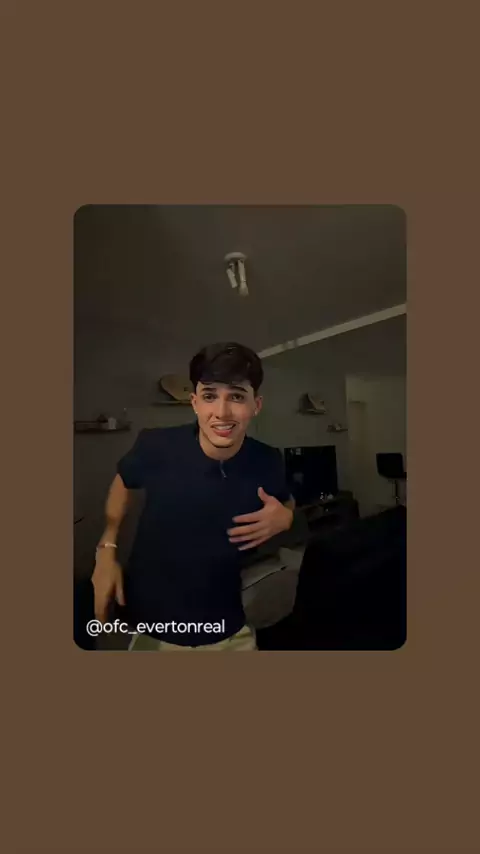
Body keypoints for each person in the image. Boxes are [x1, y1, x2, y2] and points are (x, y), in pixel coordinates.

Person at [91, 342, 295, 651]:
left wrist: (286, 515)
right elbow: (123, 482)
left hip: (231, 628)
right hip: (152, 629)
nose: (222, 413)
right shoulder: (157, 446)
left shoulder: (268, 460)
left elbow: (285, 500)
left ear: (256, 405)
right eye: (210, 396)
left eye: (237, 396)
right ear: (195, 402)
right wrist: (107, 548)